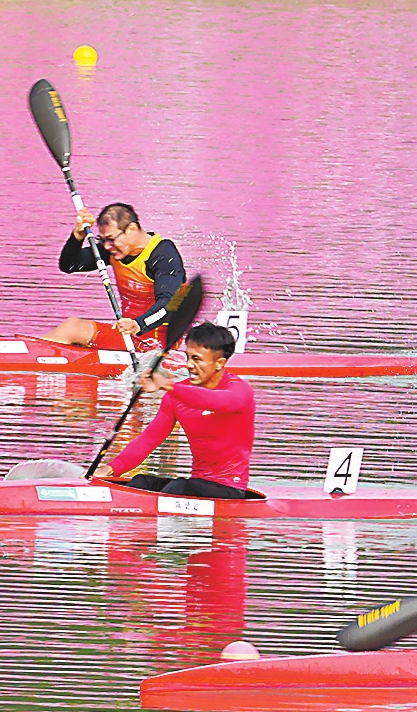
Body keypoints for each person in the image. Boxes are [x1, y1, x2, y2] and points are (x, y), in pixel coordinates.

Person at [96, 323, 260, 498]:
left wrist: (168, 385)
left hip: (229, 488)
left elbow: (213, 401)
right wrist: (110, 469)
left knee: (179, 487)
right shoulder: (175, 396)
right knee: (141, 482)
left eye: (197, 359)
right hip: (196, 483)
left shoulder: (239, 392)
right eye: (188, 357)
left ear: (219, 363)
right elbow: (149, 440)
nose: (189, 365)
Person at [47, 202, 195, 355]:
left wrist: (138, 325)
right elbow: (70, 265)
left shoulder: (163, 255)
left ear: (132, 229)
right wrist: (78, 236)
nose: (106, 246)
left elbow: (170, 304)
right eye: (103, 240)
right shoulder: (114, 250)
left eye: (111, 239)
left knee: (73, 328)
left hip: (154, 345)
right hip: (127, 335)